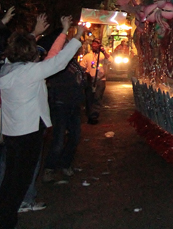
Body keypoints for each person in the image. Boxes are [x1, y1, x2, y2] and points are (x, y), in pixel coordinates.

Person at [0, 24, 84, 229]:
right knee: (19, 181)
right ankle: (6, 220)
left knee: (10, 178)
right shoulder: (28, 73)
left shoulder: (6, 69)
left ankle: (5, 214)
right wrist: (77, 36)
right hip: (28, 132)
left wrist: (37, 34)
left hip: (11, 131)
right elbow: (58, 61)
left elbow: (49, 57)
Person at [43, 16, 85, 182]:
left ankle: (65, 164)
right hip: (60, 104)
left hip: (74, 104)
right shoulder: (57, 63)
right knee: (59, 139)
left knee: (74, 137)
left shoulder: (74, 63)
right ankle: (50, 168)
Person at [80, 39, 107, 124]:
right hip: (90, 80)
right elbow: (82, 66)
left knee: (97, 98)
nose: (94, 46)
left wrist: (104, 51)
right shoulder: (87, 56)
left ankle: (94, 116)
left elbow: (110, 60)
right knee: (89, 98)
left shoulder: (102, 56)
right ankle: (89, 115)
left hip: (100, 79)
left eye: (97, 44)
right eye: (93, 44)